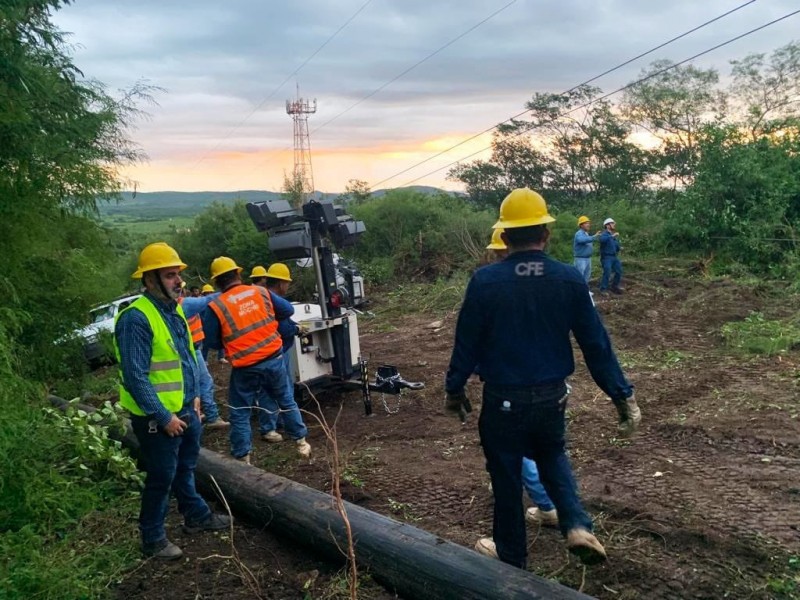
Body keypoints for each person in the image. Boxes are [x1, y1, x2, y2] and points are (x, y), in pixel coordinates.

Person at [444, 188, 640, 569]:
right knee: (551, 455)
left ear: (504, 236)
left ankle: (512, 558)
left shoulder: (484, 282)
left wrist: (454, 389)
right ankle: (578, 526)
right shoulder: (568, 280)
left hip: (503, 400)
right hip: (552, 397)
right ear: (546, 234)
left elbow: (466, 343)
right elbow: (596, 344)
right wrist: (622, 395)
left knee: (504, 474)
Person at [114, 242, 231, 560]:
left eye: (178, 274)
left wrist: (194, 398)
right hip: (157, 418)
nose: (178, 281)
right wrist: (164, 416)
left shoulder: (174, 309)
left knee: (185, 467)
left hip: (185, 409)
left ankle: (196, 515)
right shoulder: (135, 319)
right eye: (169, 275)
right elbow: (136, 376)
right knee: (162, 476)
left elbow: (185, 358)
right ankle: (152, 538)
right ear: (150, 280)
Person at [203, 256, 311, 463]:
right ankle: (301, 442)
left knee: (240, 410)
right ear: (238, 274)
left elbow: (212, 342)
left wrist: (232, 339)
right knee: (286, 399)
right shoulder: (260, 292)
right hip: (273, 358)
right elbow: (287, 310)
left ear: (217, 282)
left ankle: (243, 456)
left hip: (245, 366)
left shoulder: (216, 305)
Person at [256, 262, 305, 440]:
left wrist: (295, 326)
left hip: (277, 351)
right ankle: (269, 428)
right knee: (272, 390)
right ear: (280, 283)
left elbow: (285, 322)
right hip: (274, 353)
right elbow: (282, 328)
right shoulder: (272, 301)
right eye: (287, 283)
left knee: (283, 388)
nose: (288, 286)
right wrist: (296, 330)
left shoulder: (266, 298)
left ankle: (279, 422)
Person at [178, 288, 229, 430]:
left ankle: (197, 413)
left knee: (195, 384)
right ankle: (212, 416)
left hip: (190, 349)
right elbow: (208, 300)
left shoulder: (175, 306)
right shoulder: (185, 304)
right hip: (191, 350)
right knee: (204, 382)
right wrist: (231, 289)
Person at [599, 217, 623, 294]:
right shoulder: (604, 234)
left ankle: (614, 286)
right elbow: (602, 240)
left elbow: (616, 246)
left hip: (614, 257)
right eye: (612, 223)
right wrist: (612, 236)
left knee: (619, 271)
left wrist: (620, 248)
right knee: (607, 272)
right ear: (607, 225)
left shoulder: (612, 236)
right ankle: (603, 289)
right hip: (606, 257)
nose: (614, 225)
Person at [573, 216, 599, 284]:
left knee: (586, 277)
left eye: (589, 223)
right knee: (579, 277)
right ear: (581, 225)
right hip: (580, 259)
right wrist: (594, 237)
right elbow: (581, 240)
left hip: (587, 259)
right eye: (586, 223)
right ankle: (578, 293)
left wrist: (594, 237)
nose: (588, 224)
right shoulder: (579, 233)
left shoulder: (586, 234)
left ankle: (585, 291)